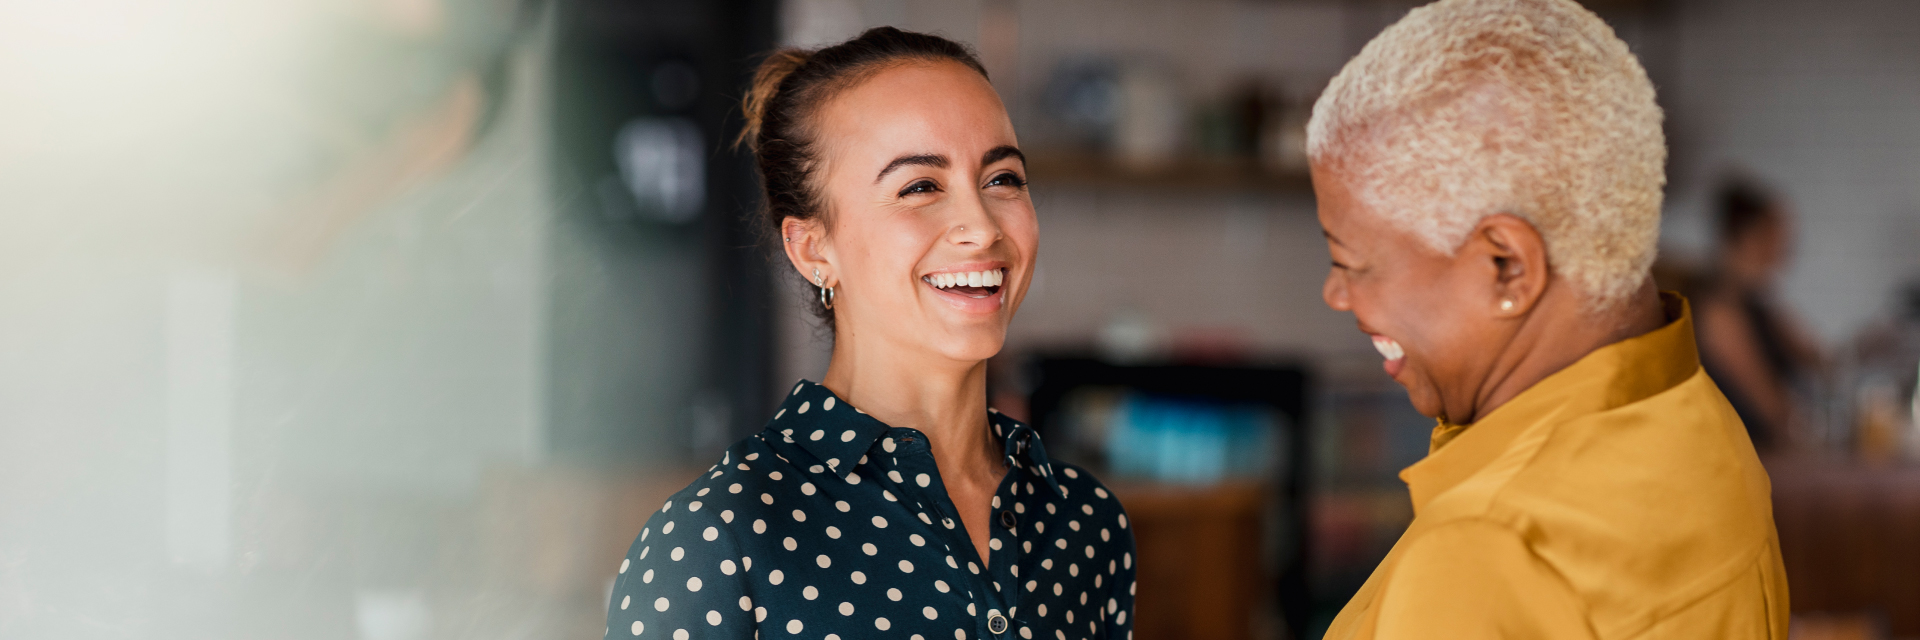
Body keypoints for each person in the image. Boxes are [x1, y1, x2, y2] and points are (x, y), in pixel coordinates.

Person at [605, 27, 1136, 640]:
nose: (981, 225)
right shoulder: (715, 541)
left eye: (1002, 179)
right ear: (813, 248)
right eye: (919, 187)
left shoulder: (1086, 523)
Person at [1305, 0, 1789, 637]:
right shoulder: (1704, 428)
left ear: (1508, 267)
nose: (1334, 294)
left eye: (1351, 262)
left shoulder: (1484, 553)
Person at [1696, 178, 1822, 451]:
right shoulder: (1720, 313)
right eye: (1776, 234)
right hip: (1740, 461)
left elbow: (1819, 361)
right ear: (1748, 236)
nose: (1786, 247)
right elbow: (1772, 408)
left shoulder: (1760, 305)